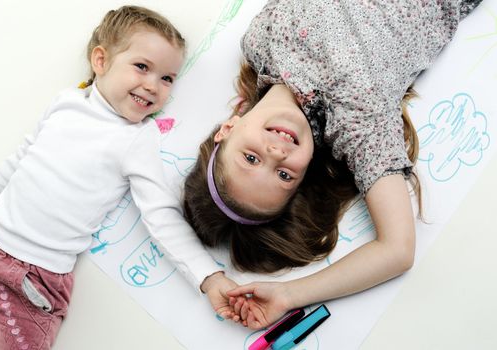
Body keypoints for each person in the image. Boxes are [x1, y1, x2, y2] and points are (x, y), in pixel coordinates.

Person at [183, 0, 483, 329]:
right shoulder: (356, 127)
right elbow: (397, 249)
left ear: (228, 129)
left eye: (251, 158)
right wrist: (288, 295)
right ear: (304, 172)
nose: (276, 152)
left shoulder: (258, 41)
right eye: (284, 175)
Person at [0, 5, 238, 349]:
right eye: (142, 67)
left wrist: (210, 277)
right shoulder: (66, 103)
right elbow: (19, 161)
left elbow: (160, 216)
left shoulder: (136, 139)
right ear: (101, 60)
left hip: (31, 281)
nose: (153, 86)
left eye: (167, 78)